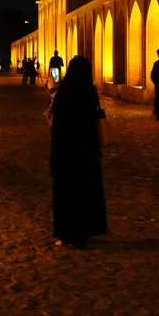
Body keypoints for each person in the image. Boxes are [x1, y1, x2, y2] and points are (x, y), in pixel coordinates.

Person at [49, 55, 108, 249]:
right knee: (86, 193)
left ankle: (68, 233)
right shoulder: (89, 91)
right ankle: (84, 232)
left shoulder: (65, 92)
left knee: (68, 193)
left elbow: (57, 125)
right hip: (87, 151)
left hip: (67, 151)